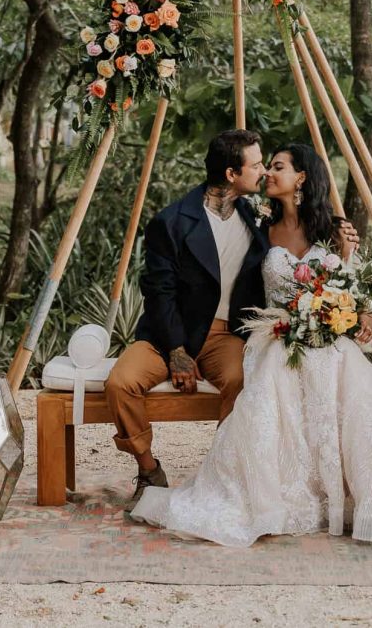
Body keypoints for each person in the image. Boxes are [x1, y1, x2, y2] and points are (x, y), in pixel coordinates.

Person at [128, 143, 372, 547]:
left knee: (363, 393)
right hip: (282, 336)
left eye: (277, 166)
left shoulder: (333, 230)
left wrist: (363, 314)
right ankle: (271, 493)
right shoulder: (259, 227)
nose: (268, 173)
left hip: (335, 335)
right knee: (275, 389)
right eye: (264, 166)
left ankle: (358, 493)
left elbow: (354, 284)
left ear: (301, 178)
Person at [104, 129, 270, 509]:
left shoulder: (257, 216)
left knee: (243, 380)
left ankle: (221, 474)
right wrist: (177, 350)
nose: (263, 171)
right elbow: (159, 291)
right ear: (231, 174)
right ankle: (149, 470)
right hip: (166, 336)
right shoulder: (171, 221)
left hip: (224, 336)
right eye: (257, 165)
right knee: (120, 383)